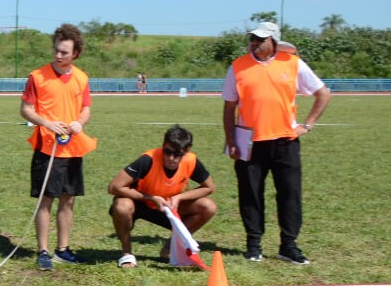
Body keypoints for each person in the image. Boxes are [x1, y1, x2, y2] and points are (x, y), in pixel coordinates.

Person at [222, 21, 330, 264]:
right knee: (250, 194)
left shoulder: (293, 64)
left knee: (290, 194)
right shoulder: (238, 66)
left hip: (285, 141)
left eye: (260, 39)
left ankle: (288, 246)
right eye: (252, 38)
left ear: (274, 42)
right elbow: (229, 106)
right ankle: (253, 245)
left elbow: (323, 94)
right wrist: (231, 140)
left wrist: (307, 125)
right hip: (250, 143)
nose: (254, 43)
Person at [20, 23, 97, 270]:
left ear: (75, 53)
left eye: (64, 52)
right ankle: (42, 251)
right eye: (56, 50)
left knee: (69, 199)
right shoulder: (37, 76)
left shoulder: (82, 78)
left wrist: (78, 123)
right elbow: (25, 109)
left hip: (72, 148)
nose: (58, 55)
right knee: (46, 200)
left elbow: (86, 109)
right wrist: (47, 123)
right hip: (47, 147)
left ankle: (62, 250)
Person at [107, 125, 216, 268]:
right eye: (167, 152)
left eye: (177, 154)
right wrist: (150, 197)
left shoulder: (191, 161)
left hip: (168, 206)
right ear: (163, 146)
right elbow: (114, 187)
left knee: (208, 206)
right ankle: (127, 254)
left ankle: (170, 249)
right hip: (140, 202)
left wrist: (179, 198)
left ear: (186, 152)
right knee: (122, 206)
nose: (171, 158)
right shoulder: (148, 159)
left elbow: (209, 187)